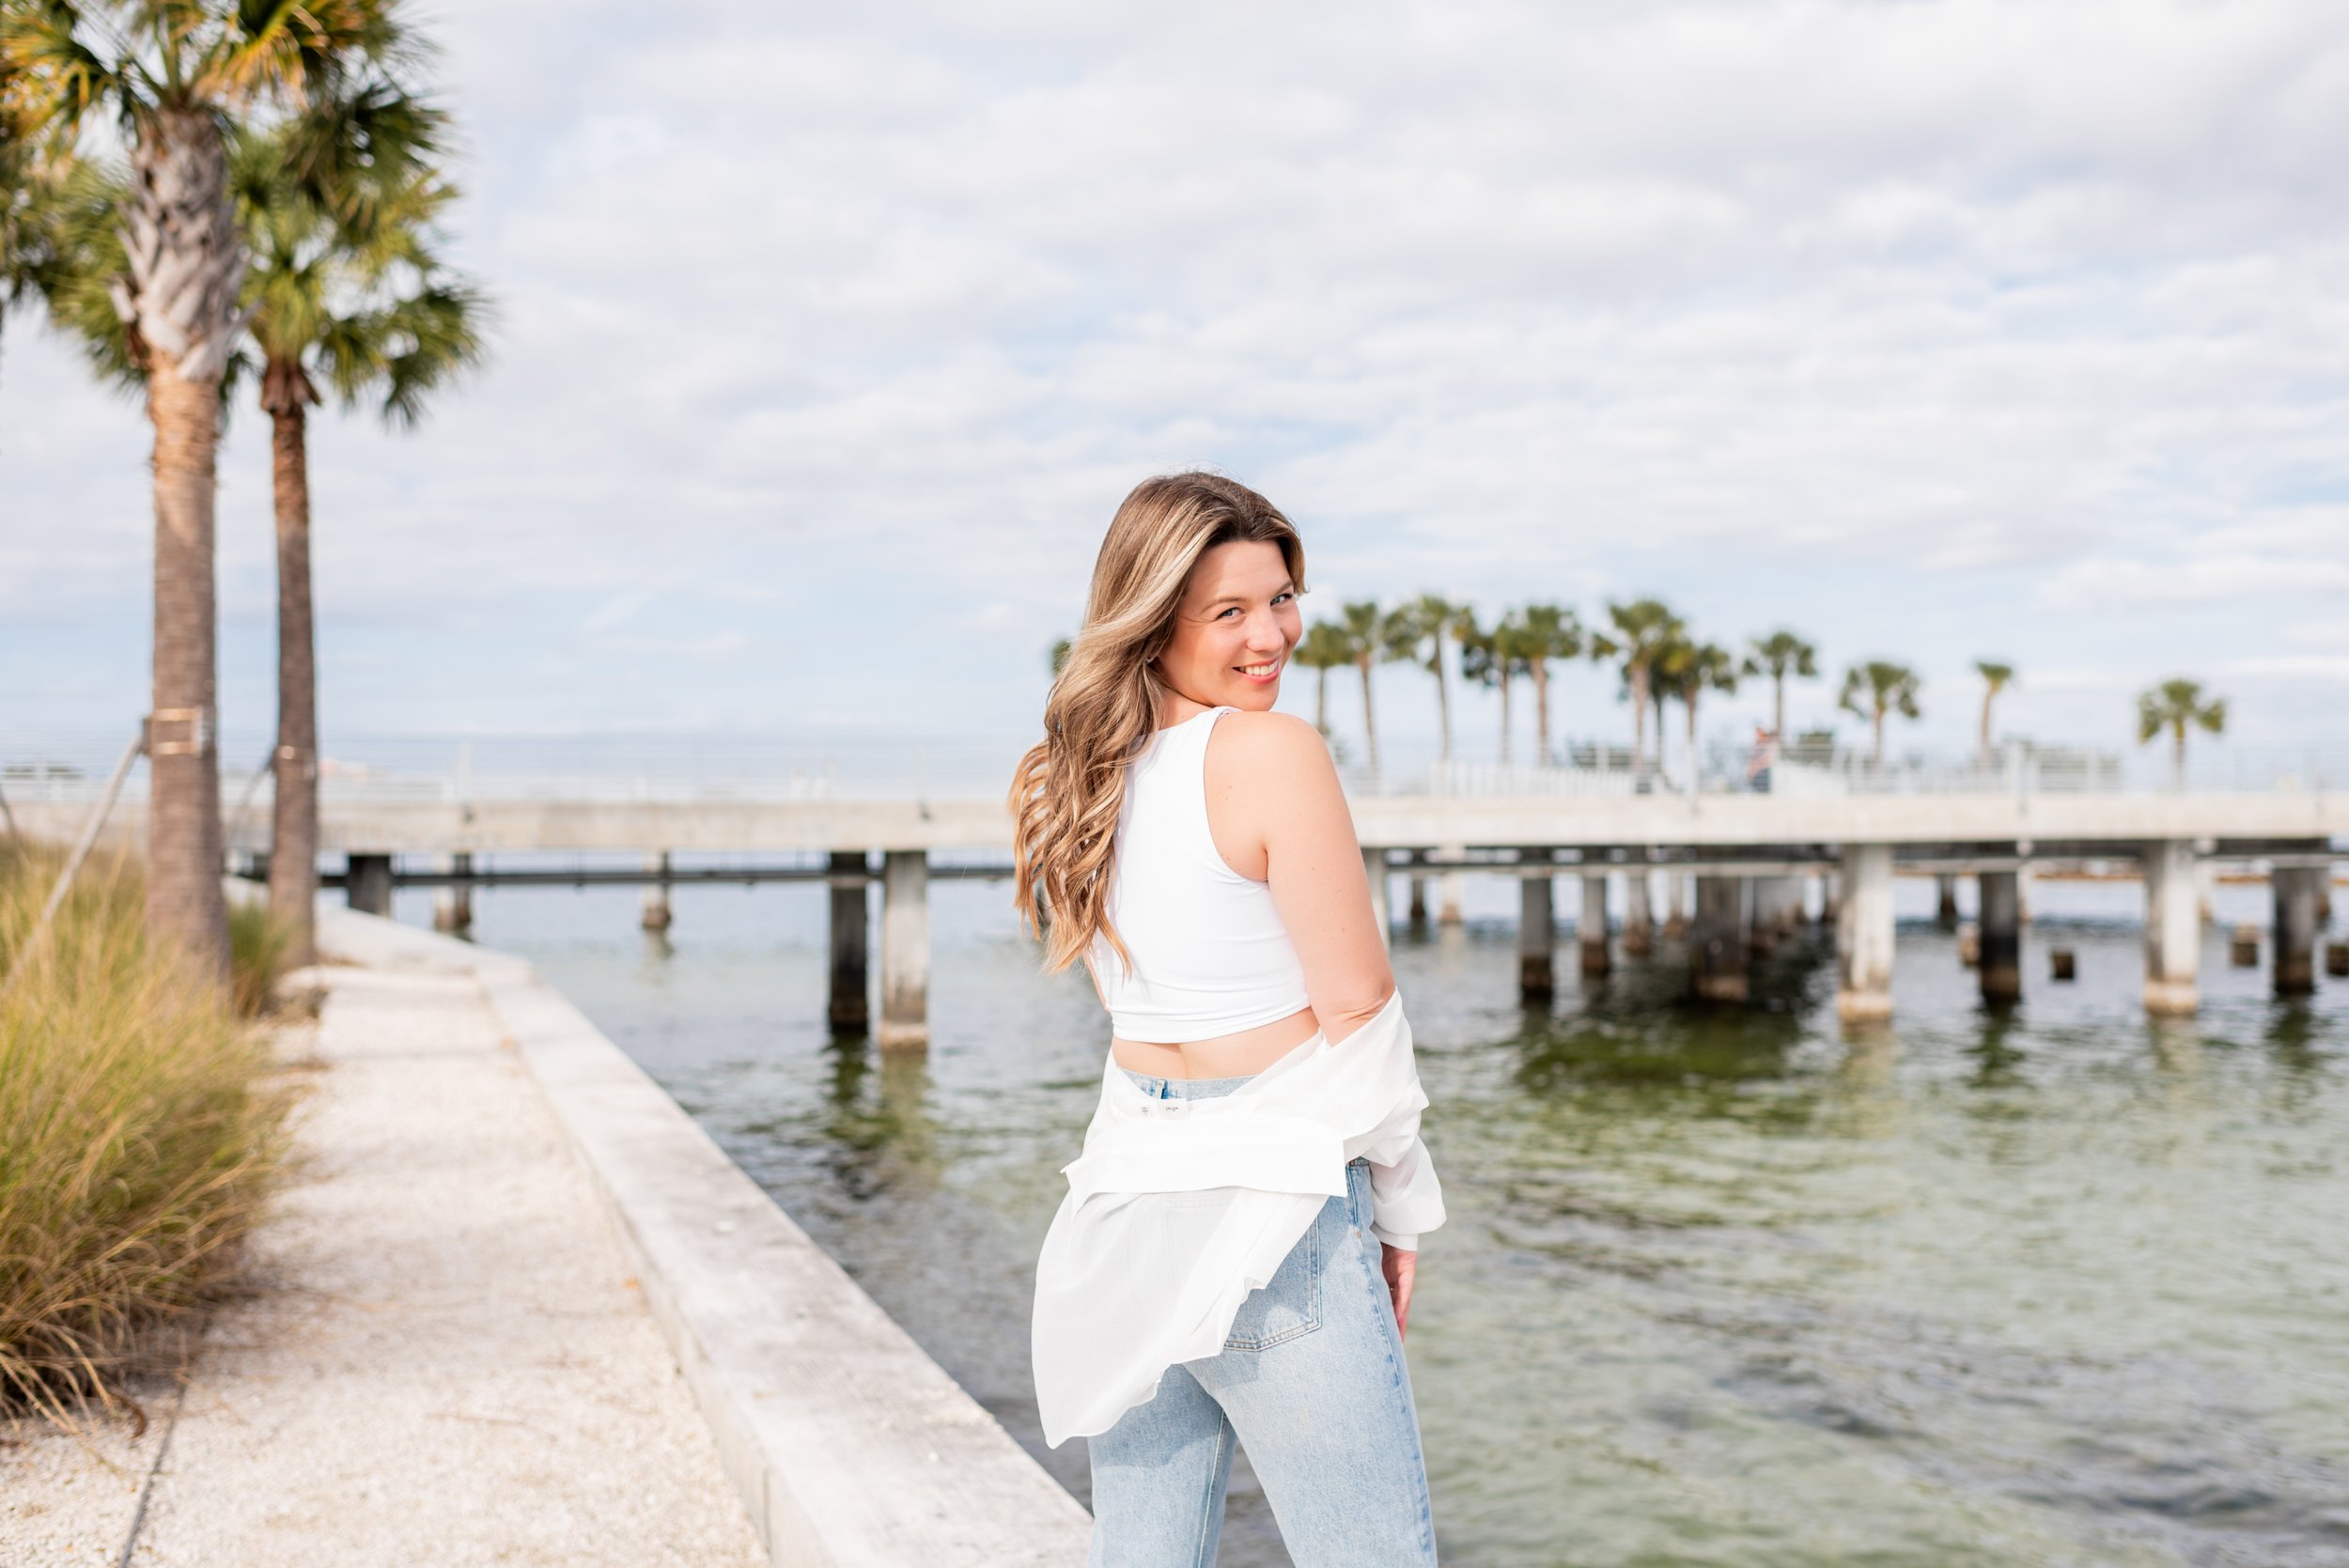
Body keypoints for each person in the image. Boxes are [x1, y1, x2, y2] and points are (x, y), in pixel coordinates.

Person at [1008, 473, 1446, 1567]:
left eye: (1282, 597)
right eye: (1230, 611)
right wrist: (1402, 1206)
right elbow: (1357, 1003)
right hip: (1273, 1212)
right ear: (1154, 621)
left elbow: (1135, 1021)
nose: (1272, 637)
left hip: (1125, 1213)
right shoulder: (1267, 751)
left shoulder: (1072, 778)